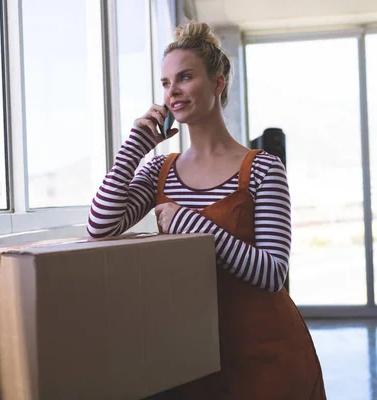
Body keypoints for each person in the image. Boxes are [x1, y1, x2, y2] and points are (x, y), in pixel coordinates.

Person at [87, 20, 326, 400]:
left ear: (218, 82)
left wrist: (188, 222)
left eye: (184, 77)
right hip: (191, 358)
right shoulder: (159, 170)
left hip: (267, 356)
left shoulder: (263, 168)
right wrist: (136, 145)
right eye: (166, 84)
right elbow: (100, 226)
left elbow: (272, 273)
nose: (173, 92)